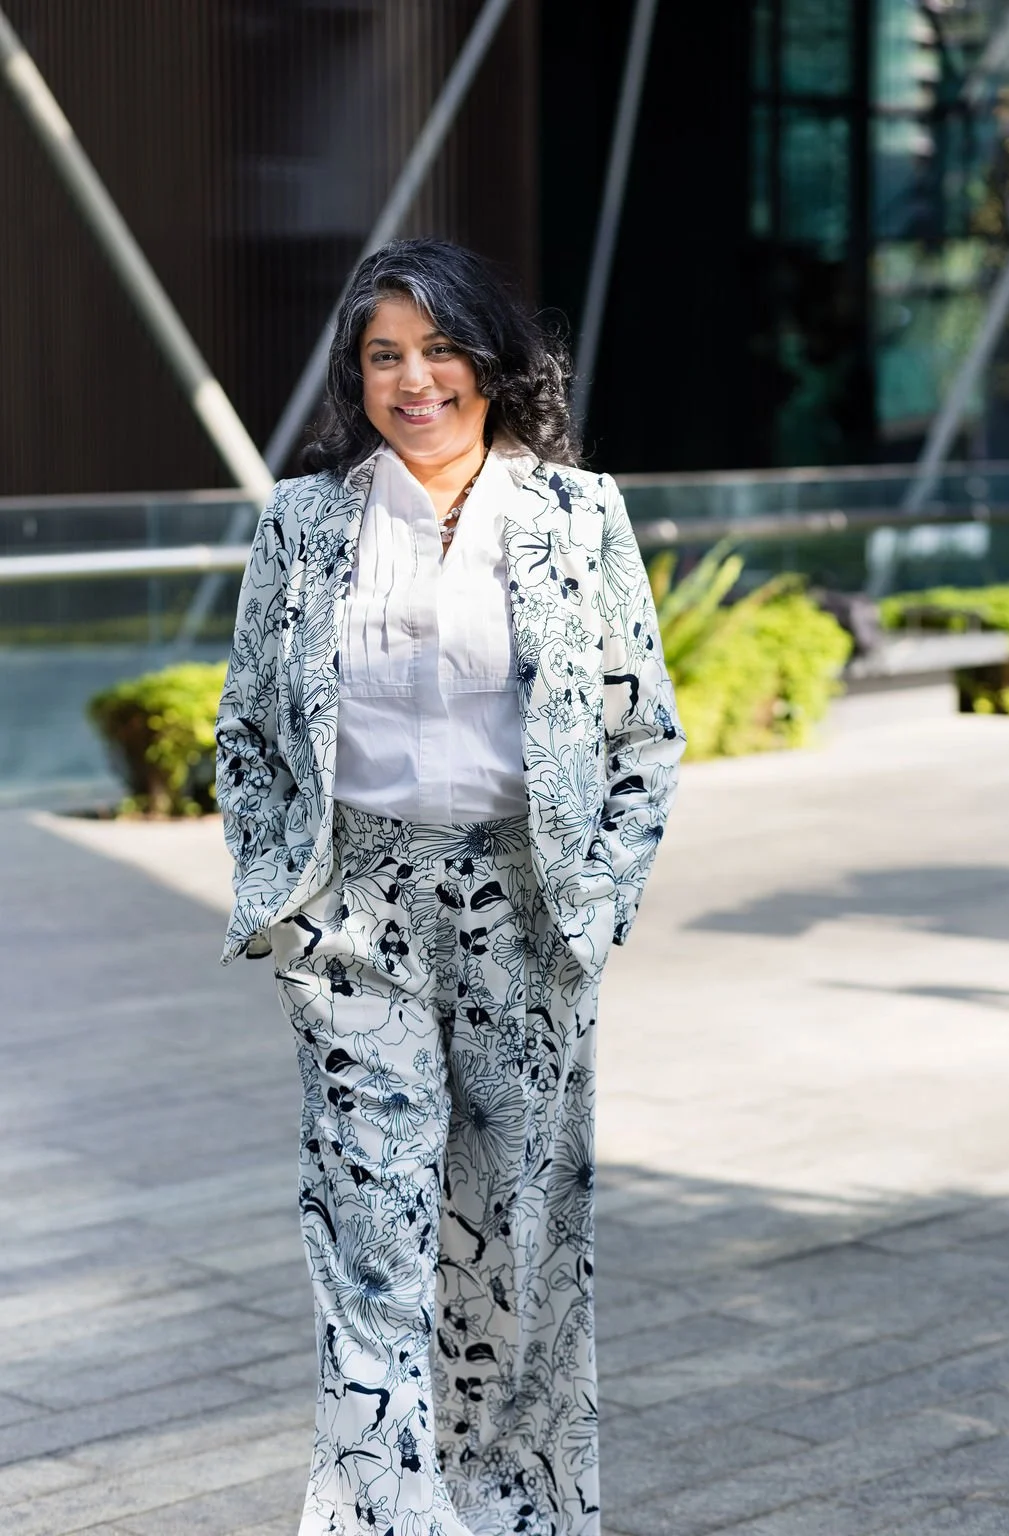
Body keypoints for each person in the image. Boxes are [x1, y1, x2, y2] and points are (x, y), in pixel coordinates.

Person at [215, 237, 683, 1536]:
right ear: (355, 375)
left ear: (489, 360)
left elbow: (644, 731)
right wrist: (286, 905)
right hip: (355, 917)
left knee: (520, 1237)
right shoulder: (304, 524)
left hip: (525, 916)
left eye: (437, 349)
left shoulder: (578, 520)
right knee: (367, 1235)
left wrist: (598, 912)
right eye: (383, 355)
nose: (413, 379)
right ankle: (381, 1516)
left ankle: (516, 1506)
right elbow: (247, 727)